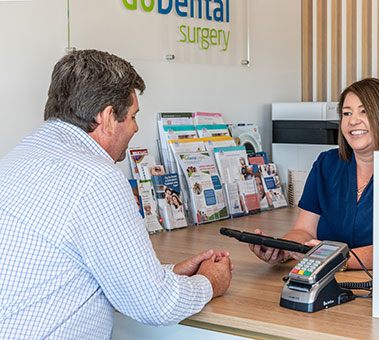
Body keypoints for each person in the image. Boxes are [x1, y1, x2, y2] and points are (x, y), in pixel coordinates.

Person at [0, 50, 232, 339]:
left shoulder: (15, 159)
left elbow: (66, 268)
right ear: (108, 117)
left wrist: (166, 275)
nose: (136, 127)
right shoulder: (97, 177)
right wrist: (210, 281)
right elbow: (155, 305)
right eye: (133, 116)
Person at [249, 78, 379, 270]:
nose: (353, 120)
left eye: (364, 111)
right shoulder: (327, 164)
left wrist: (332, 258)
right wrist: (283, 249)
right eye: (346, 113)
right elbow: (304, 230)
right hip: (325, 281)